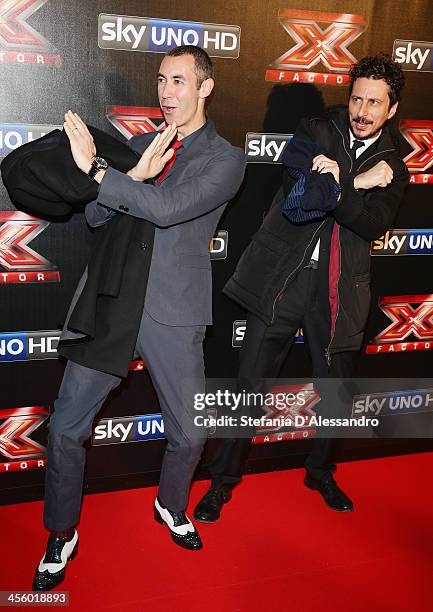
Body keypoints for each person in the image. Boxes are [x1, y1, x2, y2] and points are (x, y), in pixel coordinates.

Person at [33, 45, 245, 591]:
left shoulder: (225, 158)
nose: (166, 92)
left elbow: (170, 209)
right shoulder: (141, 144)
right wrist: (122, 172)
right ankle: (61, 531)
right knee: (64, 428)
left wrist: (104, 171)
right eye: (161, 80)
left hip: (174, 309)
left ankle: (171, 504)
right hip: (115, 300)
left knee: (191, 433)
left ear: (205, 87)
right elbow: (99, 216)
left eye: (178, 81)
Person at [194, 53, 408, 523]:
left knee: (336, 389)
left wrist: (339, 182)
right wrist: (357, 181)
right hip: (282, 278)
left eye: (375, 102)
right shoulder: (315, 131)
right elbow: (302, 200)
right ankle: (222, 481)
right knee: (250, 383)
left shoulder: (396, 163)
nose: (362, 110)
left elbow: (370, 225)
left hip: (339, 290)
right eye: (357, 98)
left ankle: (321, 472)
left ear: (391, 109)